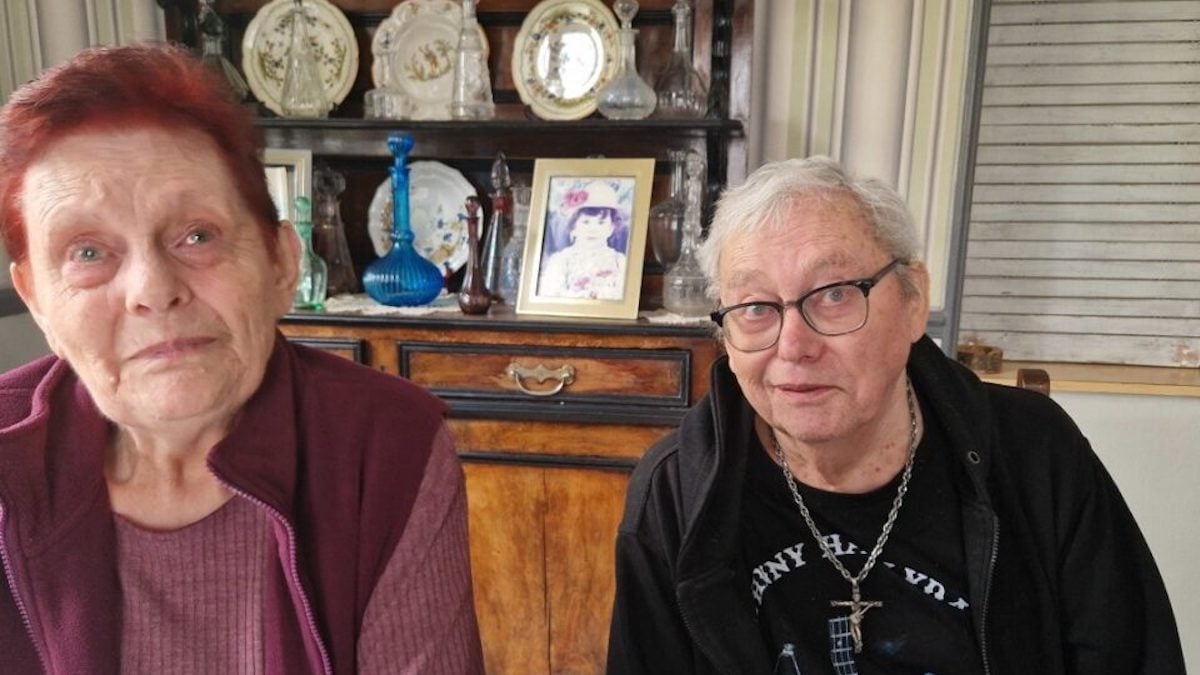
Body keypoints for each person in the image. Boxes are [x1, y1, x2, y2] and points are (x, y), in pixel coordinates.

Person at [0, 44, 484, 673]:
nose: (153, 290)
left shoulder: (386, 447)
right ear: (37, 299)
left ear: (281, 261)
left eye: (196, 235)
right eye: (88, 253)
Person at [606, 156, 1184, 674]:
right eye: (755, 307)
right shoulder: (676, 491)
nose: (793, 346)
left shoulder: (1036, 453)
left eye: (833, 293)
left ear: (912, 302)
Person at [537, 180, 629, 300]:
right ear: (573, 227)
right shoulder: (561, 261)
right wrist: (580, 293)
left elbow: (624, 297)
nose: (593, 229)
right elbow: (550, 294)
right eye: (586, 222)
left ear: (611, 227)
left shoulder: (619, 262)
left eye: (601, 222)